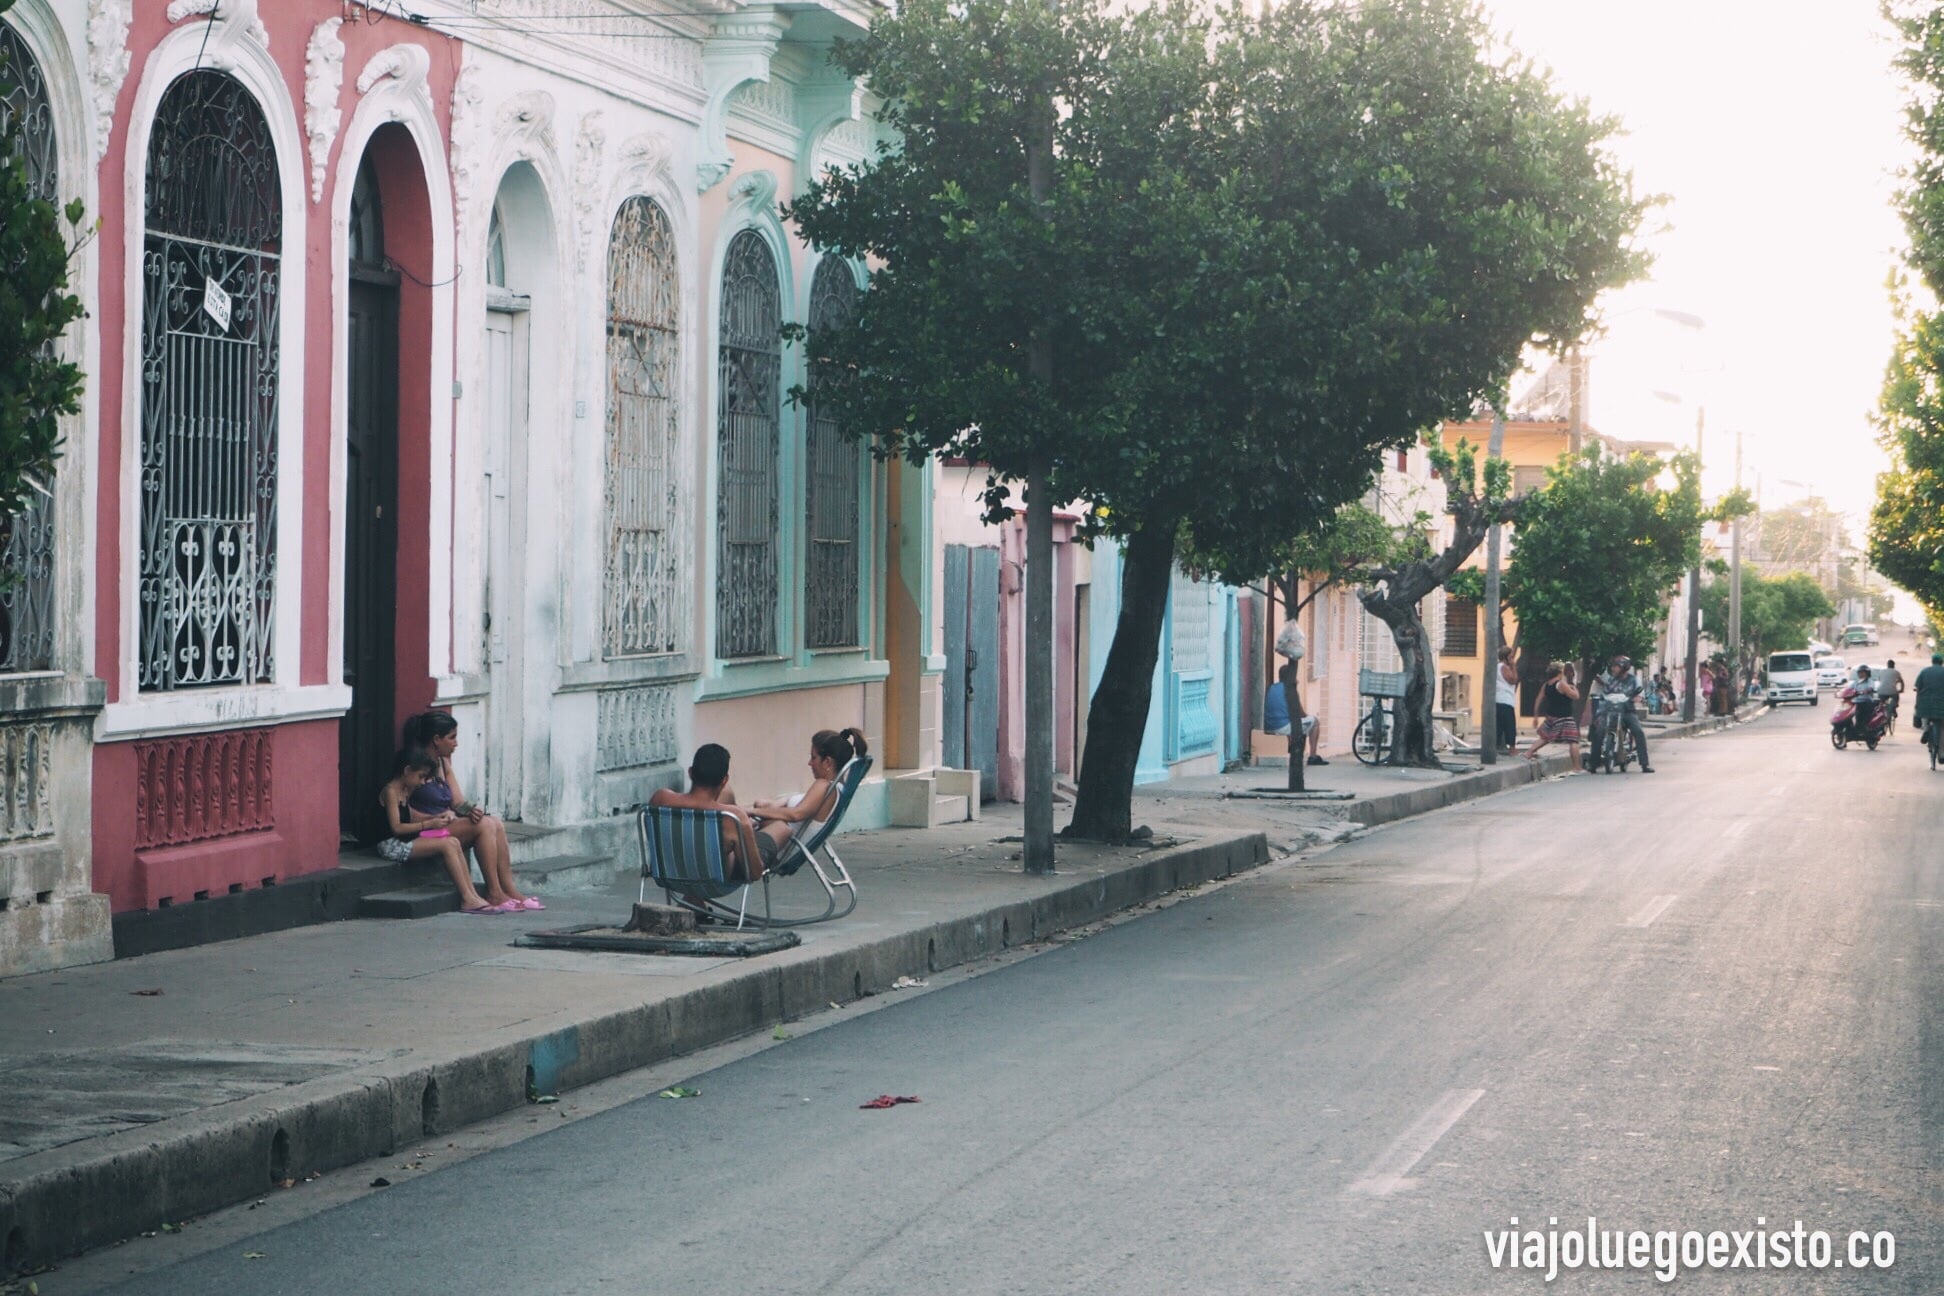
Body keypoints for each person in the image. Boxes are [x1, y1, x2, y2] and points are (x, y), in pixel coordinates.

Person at [400, 712, 537, 911]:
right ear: (436, 740)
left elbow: (458, 802)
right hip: (424, 829)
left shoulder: (442, 763)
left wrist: (471, 810)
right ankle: (494, 892)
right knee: (485, 826)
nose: (456, 743)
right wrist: (433, 818)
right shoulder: (414, 767)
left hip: (445, 823)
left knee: (494, 822)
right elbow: (403, 809)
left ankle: (508, 889)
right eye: (452, 737)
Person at [376, 748, 501, 914]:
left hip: (406, 839)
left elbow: (410, 818)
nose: (422, 782)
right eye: (421, 776)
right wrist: (428, 824)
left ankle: (472, 894)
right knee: (447, 846)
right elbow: (397, 827)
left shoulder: (406, 790)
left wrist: (437, 817)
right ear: (407, 770)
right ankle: (467, 898)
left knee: (453, 841)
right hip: (391, 844)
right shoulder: (391, 791)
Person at [744, 728, 869, 866]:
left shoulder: (824, 786)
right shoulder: (836, 789)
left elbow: (797, 814)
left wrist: (751, 812)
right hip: (775, 839)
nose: (810, 763)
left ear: (827, 762)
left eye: (813, 757)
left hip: (775, 847)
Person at [649, 743, 766, 881]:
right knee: (780, 829)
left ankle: (694, 899)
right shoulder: (733, 817)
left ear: (691, 772)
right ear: (724, 780)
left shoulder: (660, 799)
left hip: (670, 875)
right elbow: (754, 874)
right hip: (714, 880)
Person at [1590, 655, 1654, 773]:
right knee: (1598, 731)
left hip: (1627, 712)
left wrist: (1636, 698)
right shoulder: (1610, 680)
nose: (1613, 669)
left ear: (1624, 667)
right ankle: (1593, 763)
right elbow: (1604, 692)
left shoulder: (1634, 680)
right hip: (1609, 711)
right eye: (1613, 666)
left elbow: (1640, 693)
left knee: (1638, 731)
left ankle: (1645, 764)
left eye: (1616, 666)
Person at [1524, 661, 1582, 772]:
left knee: (1545, 737)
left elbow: (1538, 700)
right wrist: (1573, 686)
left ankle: (1529, 752)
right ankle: (1577, 767)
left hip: (1551, 716)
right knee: (1573, 741)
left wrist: (1536, 716)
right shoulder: (1561, 684)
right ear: (1560, 672)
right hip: (1564, 717)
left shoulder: (1547, 685)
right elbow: (1576, 696)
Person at [1263, 662, 1325, 765]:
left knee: (1298, 723)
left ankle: (1294, 751)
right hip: (1282, 727)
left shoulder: (1272, 687)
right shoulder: (1290, 690)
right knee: (1314, 722)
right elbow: (1300, 713)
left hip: (1270, 726)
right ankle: (1313, 756)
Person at [1913, 653, 1944, 745]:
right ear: (1942, 662)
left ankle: (1926, 729)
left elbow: (1918, 687)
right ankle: (1942, 753)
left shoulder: (1924, 671)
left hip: (1925, 703)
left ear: (1932, 661)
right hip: (1941, 704)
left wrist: (1917, 703)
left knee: (1925, 716)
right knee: (1942, 726)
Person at [1494, 647, 1520, 755]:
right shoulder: (1503, 667)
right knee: (1509, 725)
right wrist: (1513, 666)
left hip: (1500, 699)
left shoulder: (1498, 667)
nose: (1512, 659)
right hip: (1505, 700)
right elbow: (1513, 680)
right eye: (1511, 657)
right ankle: (1512, 749)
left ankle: (1497, 747)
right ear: (1506, 657)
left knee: (1499, 726)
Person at [1879, 658, 1905, 729]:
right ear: (1894, 665)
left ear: (1887, 665)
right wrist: (1901, 690)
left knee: (1881, 703)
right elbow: (1901, 682)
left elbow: (1880, 680)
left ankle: (1881, 712)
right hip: (1892, 691)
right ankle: (1894, 708)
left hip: (1881, 691)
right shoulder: (1896, 672)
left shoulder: (1882, 671)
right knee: (1896, 697)